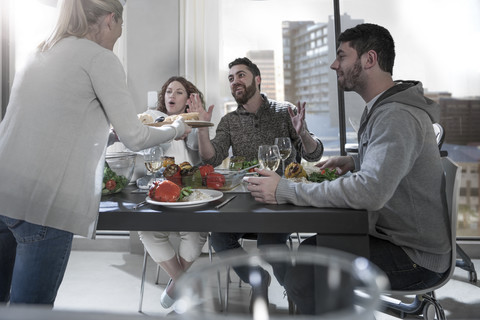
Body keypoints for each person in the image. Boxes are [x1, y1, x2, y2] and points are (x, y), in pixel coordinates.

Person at [244, 23, 451, 314]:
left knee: (306, 274)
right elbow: (395, 162)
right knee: (308, 257)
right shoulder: (386, 107)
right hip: (398, 237)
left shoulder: (396, 115)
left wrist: (285, 189)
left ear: (369, 60)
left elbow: (370, 192)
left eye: (342, 56)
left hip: (415, 256)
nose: (333, 64)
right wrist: (357, 161)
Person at [0, 0, 190, 306]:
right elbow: (137, 136)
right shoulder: (100, 58)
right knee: (29, 312)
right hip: (43, 204)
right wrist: (177, 129)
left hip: (4, 192)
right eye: (121, 27)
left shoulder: (40, 51)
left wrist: (106, 134)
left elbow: (48, 125)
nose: (118, 34)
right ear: (110, 20)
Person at [188, 57, 324, 306]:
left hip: (280, 198)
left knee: (268, 243)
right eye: (231, 78)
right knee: (219, 237)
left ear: (257, 80)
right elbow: (213, 156)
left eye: (241, 75)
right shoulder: (229, 121)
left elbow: (314, 154)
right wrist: (201, 128)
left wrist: (303, 133)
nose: (235, 81)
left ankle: (299, 295)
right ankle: (258, 280)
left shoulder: (284, 111)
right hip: (244, 199)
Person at [138, 76, 207, 308]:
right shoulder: (154, 120)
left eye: (179, 92)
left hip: (191, 196)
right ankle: (183, 282)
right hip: (160, 195)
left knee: (196, 233)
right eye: (169, 91)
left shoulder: (196, 125)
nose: (171, 96)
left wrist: (195, 123)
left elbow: (201, 150)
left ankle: (176, 285)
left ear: (188, 99)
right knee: (147, 231)